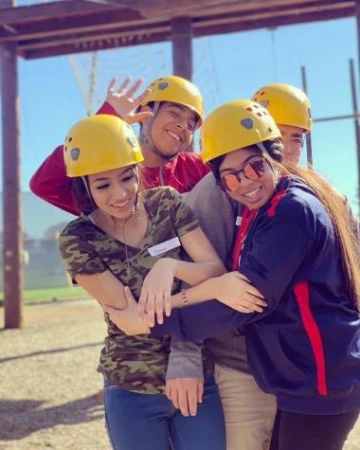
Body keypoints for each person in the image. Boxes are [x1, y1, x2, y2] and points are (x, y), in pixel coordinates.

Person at [105, 99, 360, 450]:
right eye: (230, 177)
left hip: (321, 379)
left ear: (274, 157)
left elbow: (242, 302)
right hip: (301, 377)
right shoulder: (263, 207)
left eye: (255, 167)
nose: (244, 183)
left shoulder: (291, 212)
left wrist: (151, 322)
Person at [30, 75, 215, 417]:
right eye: (175, 113)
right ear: (146, 112)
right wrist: (106, 122)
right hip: (136, 335)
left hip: (195, 320)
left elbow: (241, 174)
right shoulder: (105, 176)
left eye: (192, 122)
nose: (183, 127)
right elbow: (45, 184)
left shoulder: (194, 168)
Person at [57, 114, 239, 450]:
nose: (120, 194)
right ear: (84, 186)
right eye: (102, 185)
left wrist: (170, 267)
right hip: (131, 386)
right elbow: (133, 322)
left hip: (196, 376)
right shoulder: (78, 239)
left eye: (128, 177)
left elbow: (214, 267)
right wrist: (206, 292)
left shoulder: (167, 203)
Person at [166, 83, 313, 450]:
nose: (289, 149)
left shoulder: (311, 196)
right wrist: (184, 357)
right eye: (280, 136)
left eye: (297, 138)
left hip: (300, 369)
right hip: (241, 366)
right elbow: (194, 274)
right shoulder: (217, 192)